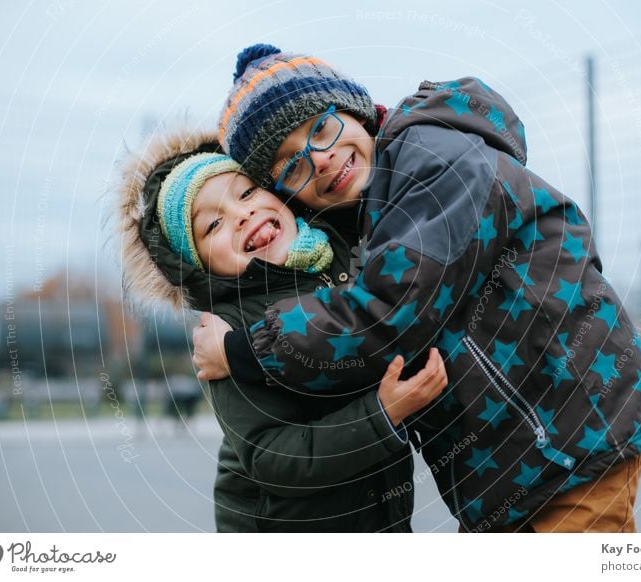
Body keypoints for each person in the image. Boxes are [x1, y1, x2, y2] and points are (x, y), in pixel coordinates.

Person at [194, 44, 641, 532]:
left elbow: (390, 312)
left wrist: (241, 350)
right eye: (291, 164)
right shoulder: (373, 212)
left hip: (567, 438)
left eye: (321, 127)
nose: (319, 160)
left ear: (356, 108)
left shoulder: (432, 160)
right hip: (521, 462)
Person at [114, 124, 447, 532]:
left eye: (248, 192)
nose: (242, 214)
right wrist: (382, 414)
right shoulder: (227, 328)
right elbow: (269, 458)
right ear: (197, 265)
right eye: (213, 225)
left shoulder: (344, 258)